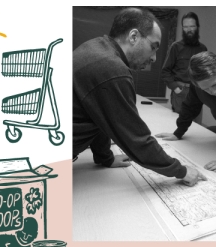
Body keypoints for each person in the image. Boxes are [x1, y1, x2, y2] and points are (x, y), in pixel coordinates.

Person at [73, 7, 206, 186]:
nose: (154, 58)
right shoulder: (112, 68)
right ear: (133, 37)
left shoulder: (97, 47)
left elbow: (99, 114)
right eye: (153, 47)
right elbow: (137, 139)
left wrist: (105, 158)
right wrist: (181, 171)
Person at [161, 12, 207, 114]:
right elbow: (165, 71)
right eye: (185, 27)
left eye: (192, 26)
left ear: (197, 27)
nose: (189, 30)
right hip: (181, 92)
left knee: (196, 126)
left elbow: (205, 72)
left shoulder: (203, 49)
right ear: (182, 28)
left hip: (197, 93)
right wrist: (176, 88)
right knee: (180, 125)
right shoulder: (175, 47)